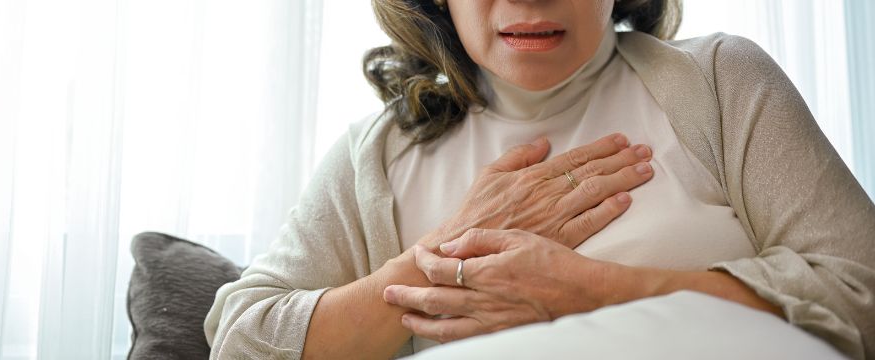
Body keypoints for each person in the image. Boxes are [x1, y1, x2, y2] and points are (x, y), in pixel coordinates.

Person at [204, 0, 875, 359]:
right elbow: (241, 341)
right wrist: (445, 254)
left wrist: (590, 293)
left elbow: (860, 291)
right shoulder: (375, 156)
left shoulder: (719, 82)